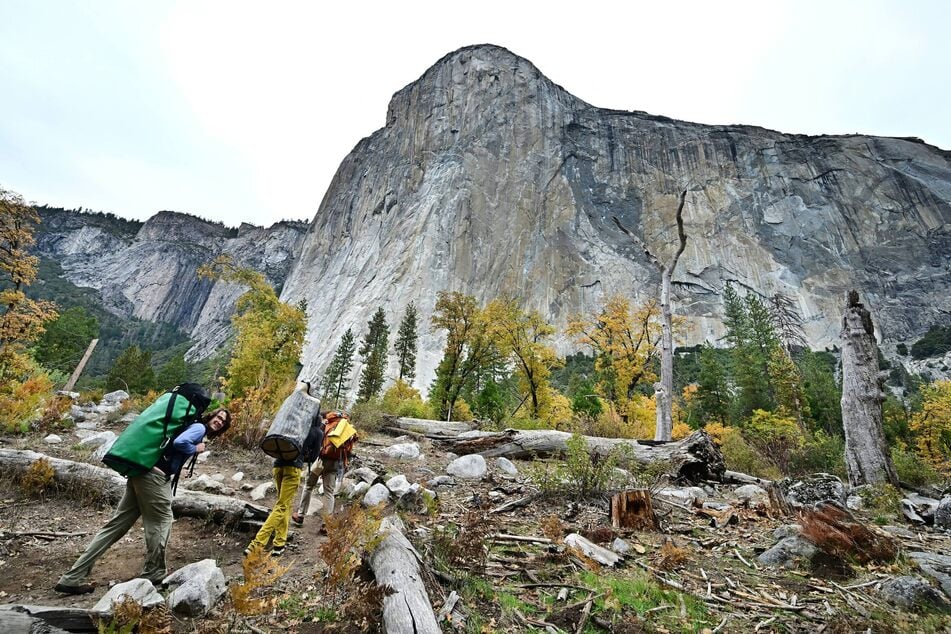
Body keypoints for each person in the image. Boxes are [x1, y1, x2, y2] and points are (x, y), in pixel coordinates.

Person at [54, 408, 231, 595]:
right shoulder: (199, 428)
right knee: (162, 521)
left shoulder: (194, 427)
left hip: (142, 472)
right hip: (153, 478)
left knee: (116, 526)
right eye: (218, 417)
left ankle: (72, 577)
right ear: (210, 416)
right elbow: (181, 442)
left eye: (223, 420)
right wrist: (194, 448)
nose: (219, 421)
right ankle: (154, 573)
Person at [291, 410, 348, 531]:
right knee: (329, 492)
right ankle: (326, 523)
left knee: (308, 485)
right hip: (335, 462)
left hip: (320, 460)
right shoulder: (344, 427)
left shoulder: (325, 424)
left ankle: (300, 515)